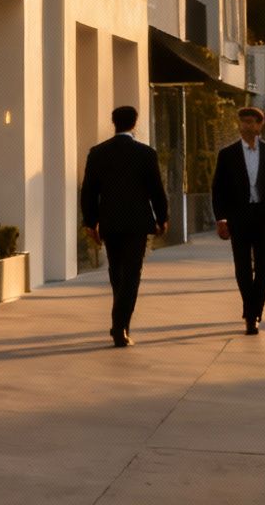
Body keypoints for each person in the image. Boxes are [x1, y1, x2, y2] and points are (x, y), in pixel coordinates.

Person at [78, 105, 169, 347]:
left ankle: (120, 323)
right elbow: (156, 190)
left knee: (116, 271)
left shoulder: (97, 153)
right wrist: (162, 218)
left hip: (110, 221)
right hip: (137, 223)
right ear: (134, 123)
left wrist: (90, 221)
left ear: (113, 123)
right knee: (131, 274)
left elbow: (89, 190)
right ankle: (120, 326)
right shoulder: (146, 153)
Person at [210, 106, 265, 335]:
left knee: (263, 266)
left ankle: (255, 312)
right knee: (242, 267)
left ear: (260, 125)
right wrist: (221, 218)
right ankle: (249, 310)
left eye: (252, 122)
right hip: (239, 216)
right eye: (244, 122)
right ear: (239, 125)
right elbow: (218, 189)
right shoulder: (228, 155)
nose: (248, 126)